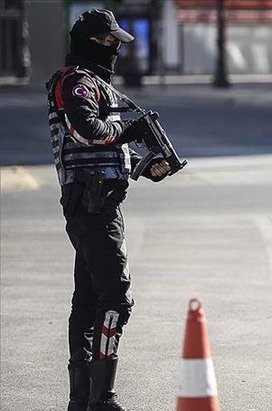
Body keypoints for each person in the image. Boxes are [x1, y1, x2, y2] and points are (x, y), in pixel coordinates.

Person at [45, 9, 171, 411]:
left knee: (88, 299)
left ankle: (81, 400)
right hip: (90, 201)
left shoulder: (98, 84)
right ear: (93, 41)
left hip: (101, 200)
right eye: (111, 40)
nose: (117, 48)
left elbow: (107, 144)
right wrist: (127, 131)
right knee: (116, 297)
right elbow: (86, 131)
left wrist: (145, 164)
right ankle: (103, 398)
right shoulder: (76, 83)